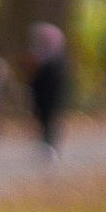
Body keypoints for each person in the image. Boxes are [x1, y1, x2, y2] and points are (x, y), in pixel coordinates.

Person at [26, 16, 68, 152]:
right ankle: (45, 143)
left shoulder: (56, 63)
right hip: (41, 95)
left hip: (51, 95)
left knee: (50, 119)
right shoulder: (39, 59)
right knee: (42, 119)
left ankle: (50, 144)